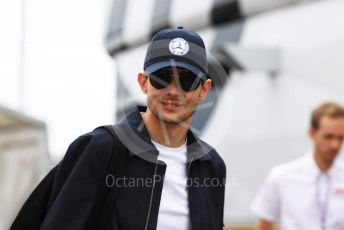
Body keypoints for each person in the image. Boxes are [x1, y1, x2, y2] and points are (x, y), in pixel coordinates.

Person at [38, 27, 226, 230]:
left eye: (187, 81)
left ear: (204, 90)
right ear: (143, 82)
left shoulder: (212, 167)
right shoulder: (100, 149)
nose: (173, 90)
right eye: (161, 77)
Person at [251, 102, 344, 230]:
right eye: (328, 137)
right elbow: (264, 225)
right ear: (312, 132)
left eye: (341, 138)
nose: (335, 145)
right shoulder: (282, 176)